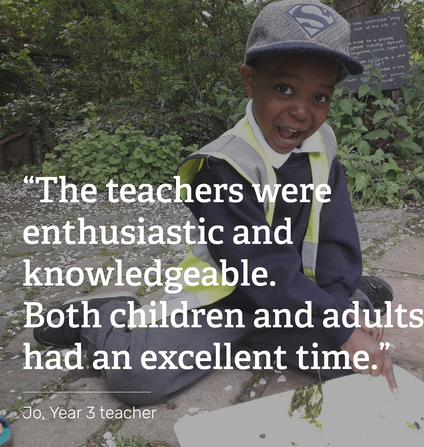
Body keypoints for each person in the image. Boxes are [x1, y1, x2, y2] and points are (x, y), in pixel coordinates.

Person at [33, 0, 397, 405]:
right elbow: (261, 267)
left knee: (352, 362)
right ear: (249, 81)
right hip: (229, 299)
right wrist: (342, 326)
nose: (300, 110)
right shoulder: (224, 164)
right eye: (284, 89)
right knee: (139, 379)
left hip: (288, 299)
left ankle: (330, 307)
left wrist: (342, 306)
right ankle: (105, 317)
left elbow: (334, 238)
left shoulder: (322, 148)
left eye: (320, 98)